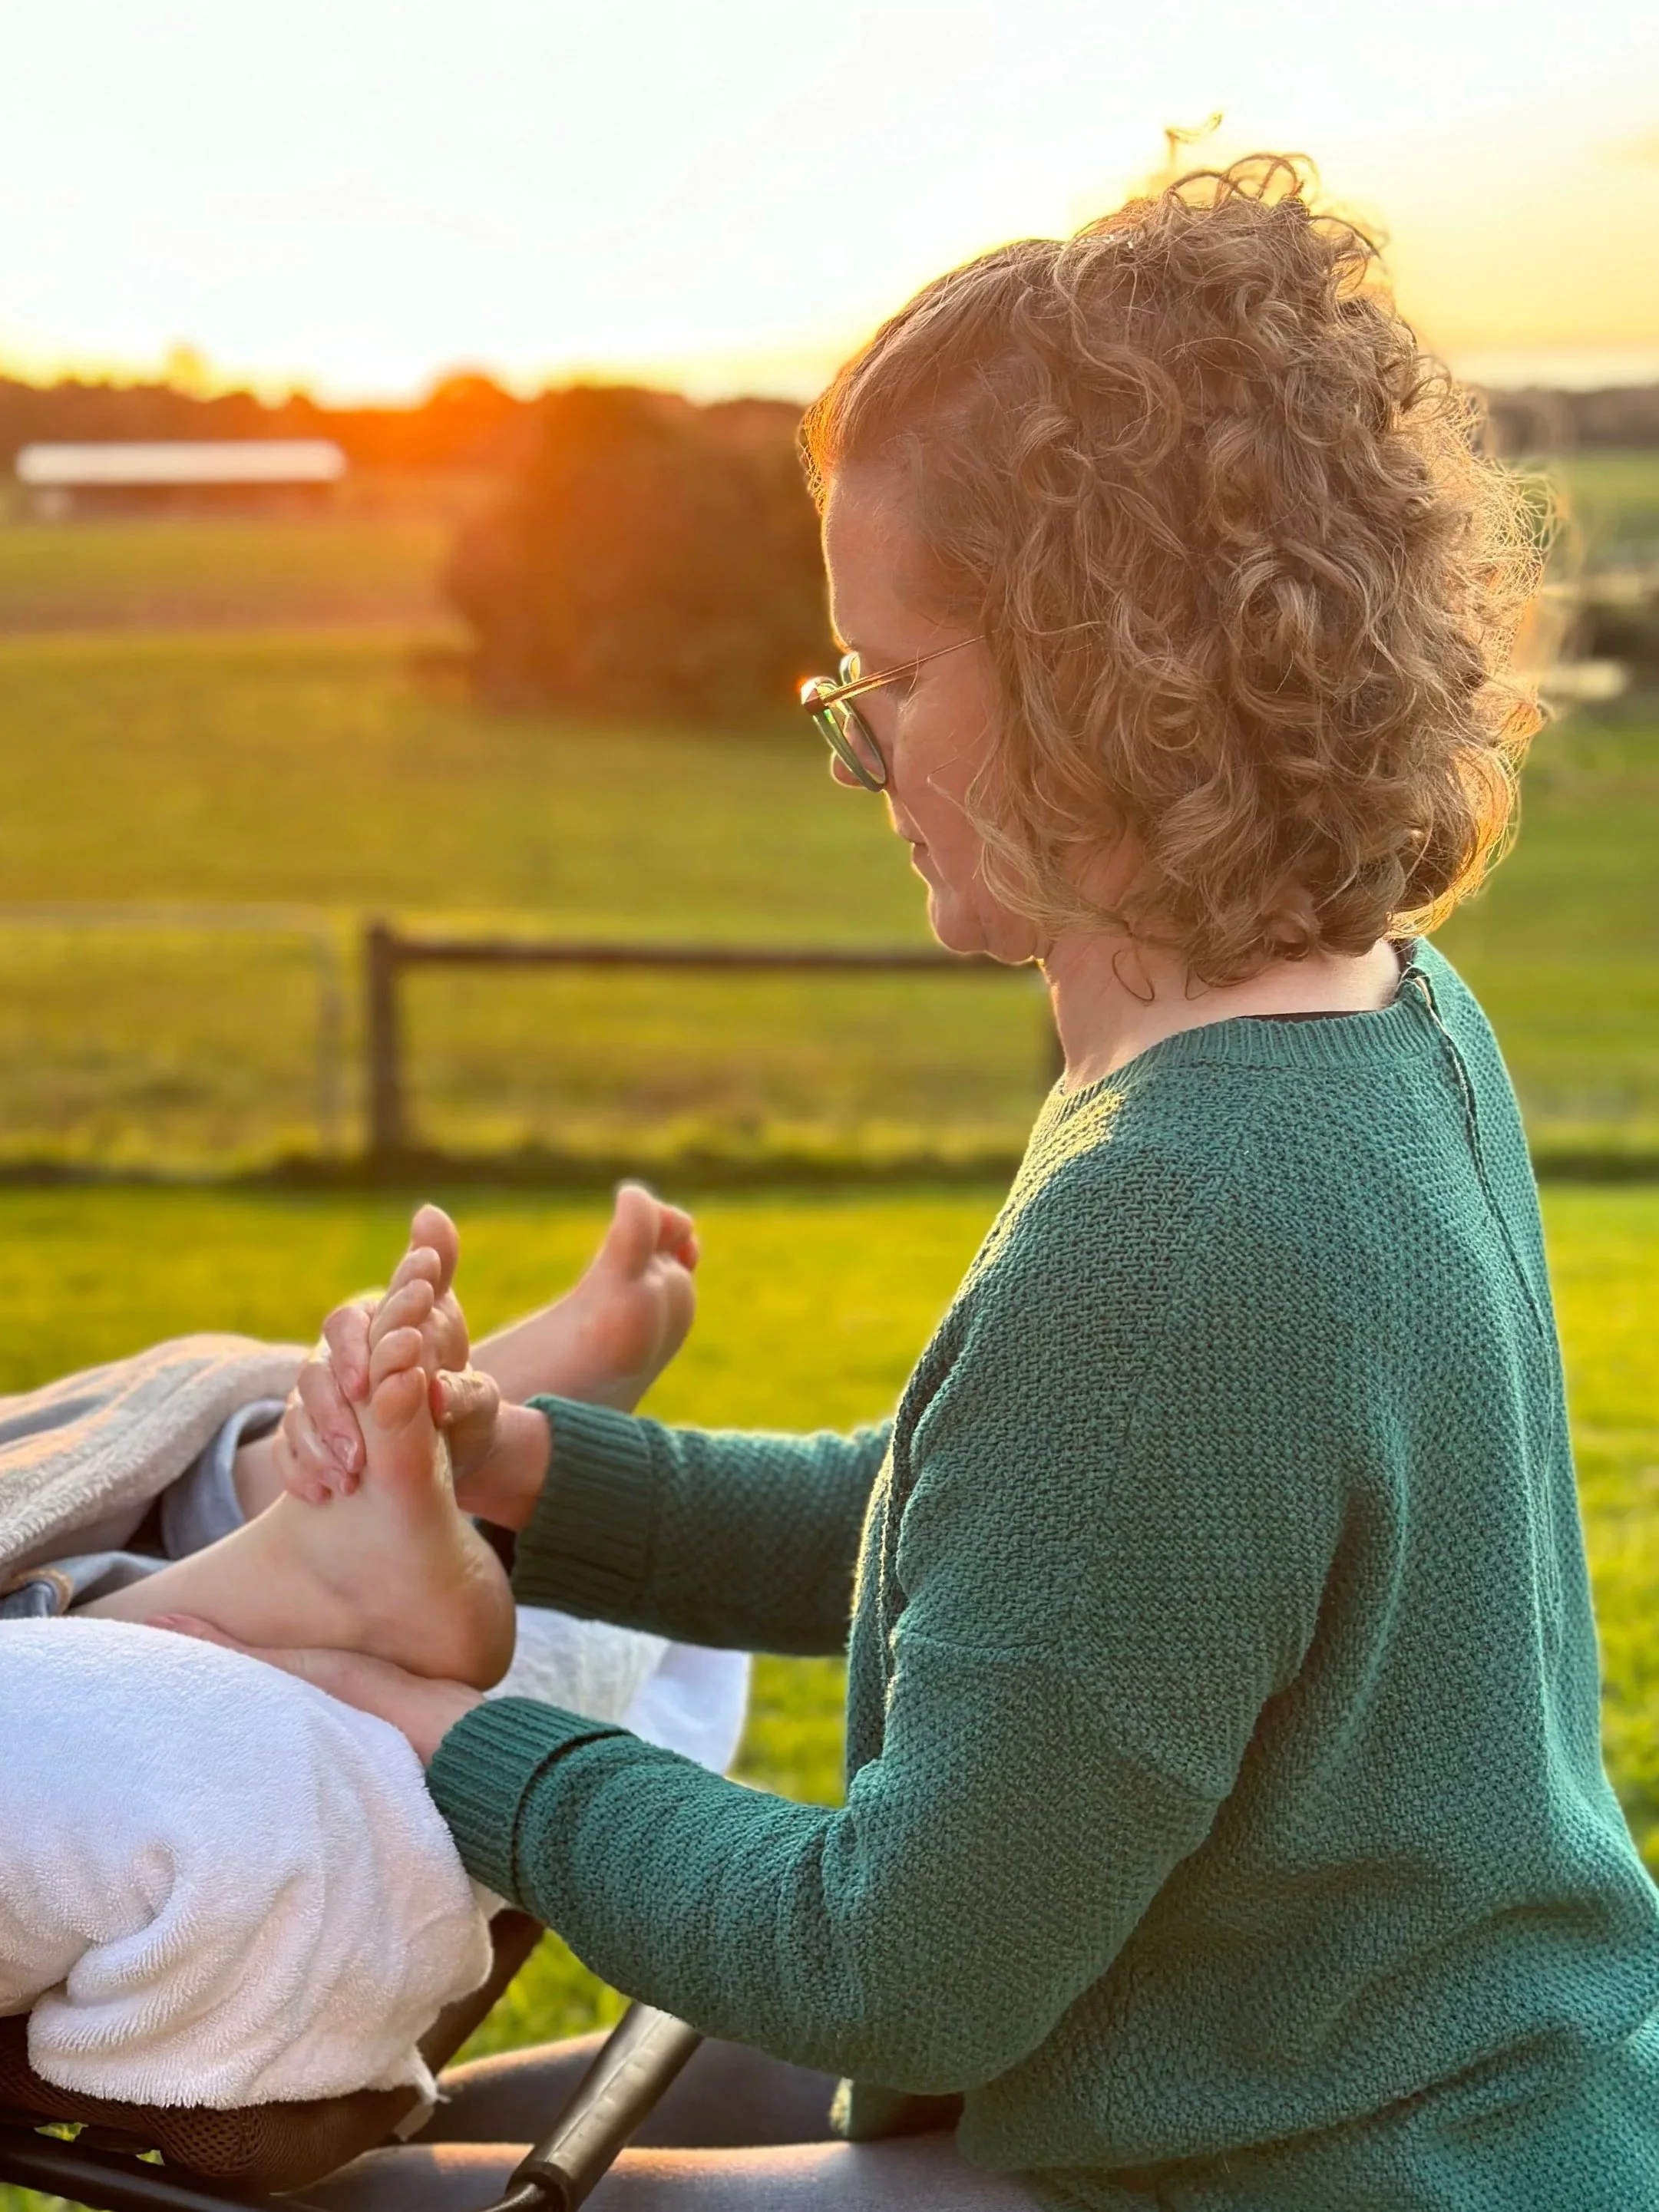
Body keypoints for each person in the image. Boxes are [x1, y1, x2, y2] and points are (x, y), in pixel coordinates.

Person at [165, 159, 1659, 2210]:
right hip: (1407, 2095)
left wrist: (436, 1736)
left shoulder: (1191, 1220)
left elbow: (901, 1964)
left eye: (891, 678)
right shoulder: (1377, 1028)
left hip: (1315, 2171)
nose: (859, 752)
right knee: (456, 2139)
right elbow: (1030, 1548)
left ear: (1103, 679)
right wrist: (525, 1469)